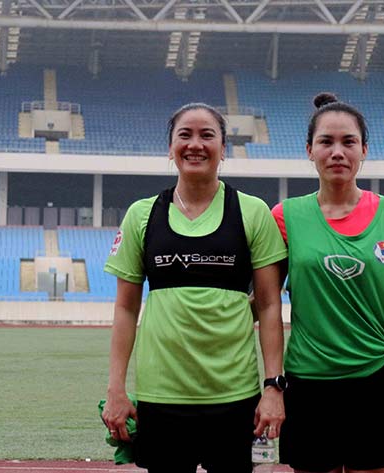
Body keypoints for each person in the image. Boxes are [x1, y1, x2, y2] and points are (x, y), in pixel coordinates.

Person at [101, 102, 288, 473]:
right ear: (170, 148)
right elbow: (125, 308)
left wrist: (273, 387)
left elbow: (269, 306)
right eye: (184, 135)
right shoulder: (142, 214)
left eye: (207, 135)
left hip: (234, 394)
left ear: (224, 148)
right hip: (161, 394)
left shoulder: (252, 212)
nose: (195, 144)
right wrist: (115, 388)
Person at [271, 92, 384, 473]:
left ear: (364, 150)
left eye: (348, 142)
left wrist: (372, 349)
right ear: (309, 150)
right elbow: (268, 302)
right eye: (326, 142)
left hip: (375, 380)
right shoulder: (285, 217)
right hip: (308, 380)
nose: (337, 152)